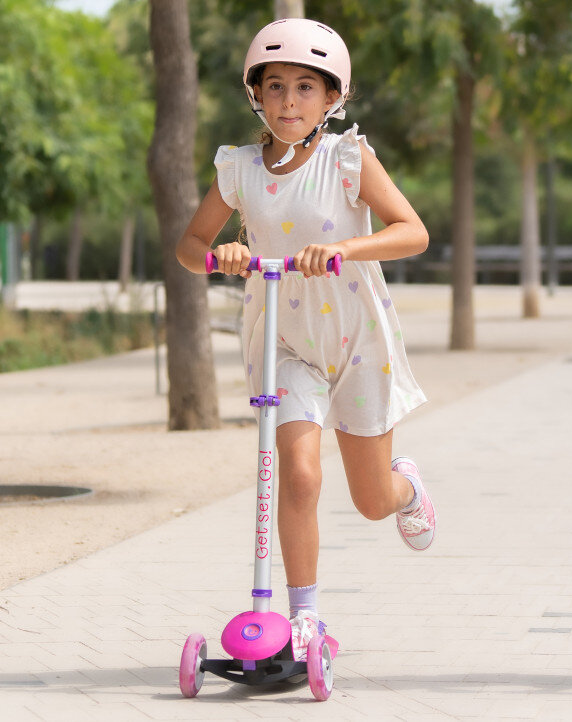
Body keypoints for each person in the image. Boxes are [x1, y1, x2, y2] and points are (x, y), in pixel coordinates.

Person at [176, 19, 435, 661]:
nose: (289, 102)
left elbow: (412, 232)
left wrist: (345, 247)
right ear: (256, 95)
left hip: (356, 338)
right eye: (275, 86)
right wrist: (220, 255)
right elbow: (189, 246)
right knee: (296, 475)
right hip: (283, 341)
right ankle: (305, 620)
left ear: (331, 98)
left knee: (371, 501)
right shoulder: (238, 169)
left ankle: (407, 487)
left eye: (305, 88)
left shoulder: (346, 158)